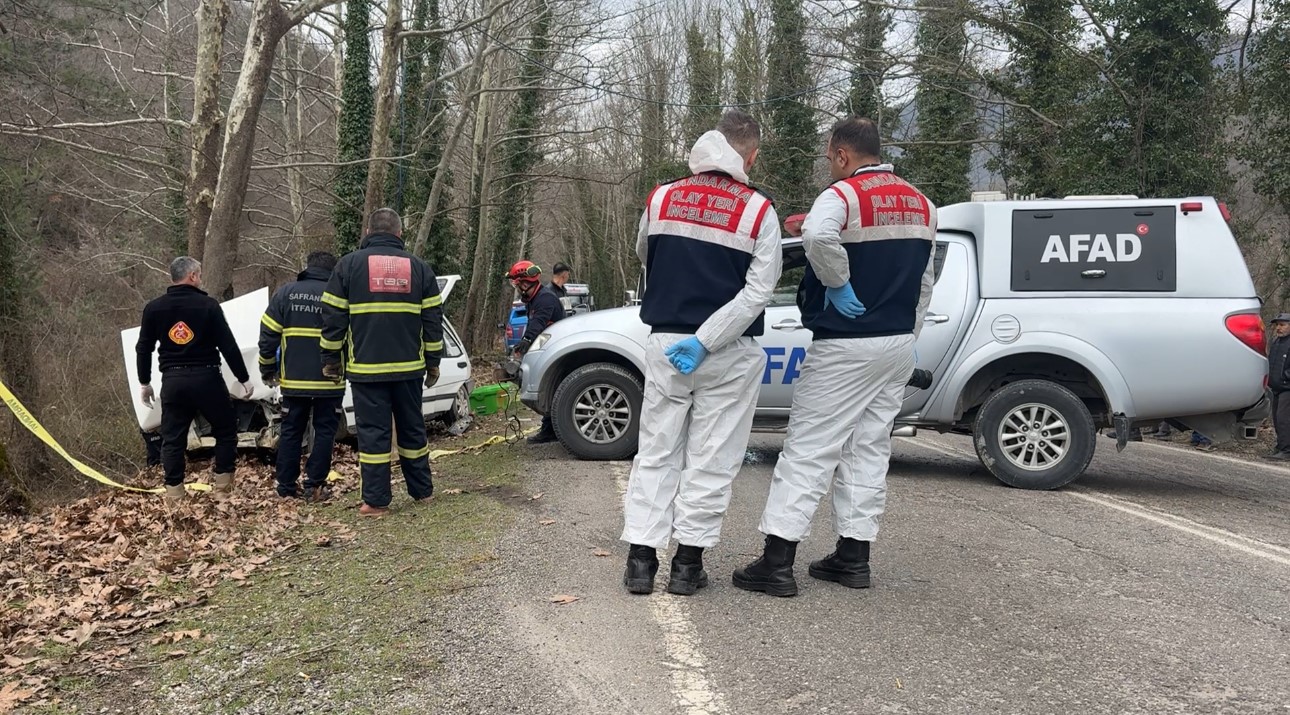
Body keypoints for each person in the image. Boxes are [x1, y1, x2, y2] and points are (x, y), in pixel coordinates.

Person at [733, 117, 936, 597]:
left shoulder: (841, 197)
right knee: (868, 447)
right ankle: (852, 556)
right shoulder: (922, 203)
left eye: (829, 157)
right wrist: (910, 334)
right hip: (896, 343)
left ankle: (777, 562)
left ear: (842, 154)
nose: (829, 164)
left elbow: (819, 238)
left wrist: (839, 284)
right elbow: (926, 282)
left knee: (808, 448)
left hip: (845, 343)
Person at [620, 109, 782, 596]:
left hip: (667, 341)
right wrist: (710, 338)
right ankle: (687, 567)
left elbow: (645, 252)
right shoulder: (758, 209)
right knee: (714, 456)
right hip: (728, 351)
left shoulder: (663, 196)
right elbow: (758, 293)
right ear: (749, 154)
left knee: (656, 450)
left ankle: (640, 563)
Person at [320, 209, 444, 517]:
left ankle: (375, 502)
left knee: (373, 435)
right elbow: (432, 320)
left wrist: (330, 359)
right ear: (400, 234)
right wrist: (433, 362)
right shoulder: (420, 268)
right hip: (409, 371)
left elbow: (333, 318)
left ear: (367, 231)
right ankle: (422, 492)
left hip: (366, 371)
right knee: (413, 429)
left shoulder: (348, 266)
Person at [135, 257, 252, 503]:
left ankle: (174, 494)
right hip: (206, 376)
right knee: (225, 429)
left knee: (173, 438)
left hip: (173, 380)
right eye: (199, 274)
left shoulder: (154, 308)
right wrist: (244, 378)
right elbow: (228, 345)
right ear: (192, 277)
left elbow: (143, 348)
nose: (200, 278)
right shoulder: (208, 305)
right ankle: (222, 488)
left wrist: (144, 382)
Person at [258, 251, 345, 502]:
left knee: (291, 431)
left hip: (294, 381)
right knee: (325, 431)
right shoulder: (337, 296)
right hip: (330, 380)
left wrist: (267, 368)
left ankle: (285, 486)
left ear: (307, 267)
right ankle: (314, 485)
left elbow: (268, 335)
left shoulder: (285, 293)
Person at [508, 260, 566, 444]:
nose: (517, 288)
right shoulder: (533, 300)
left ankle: (550, 430)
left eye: (518, 284)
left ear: (526, 283)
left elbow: (538, 323)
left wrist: (525, 342)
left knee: (552, 385)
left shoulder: (545, 299)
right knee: (553, 387)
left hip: (558, 348)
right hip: (550, 346)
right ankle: (551, 429)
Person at [1266, 313, 1290, 460]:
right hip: (1276, 387)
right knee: (1276, 418)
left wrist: (1285, 378)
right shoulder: (1276, 342)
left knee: (1283, 418)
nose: (1278, 328)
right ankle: (1281, 446)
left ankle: (1286, 450)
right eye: (1277, 325)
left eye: (1282, 325)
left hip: (1287, 388)